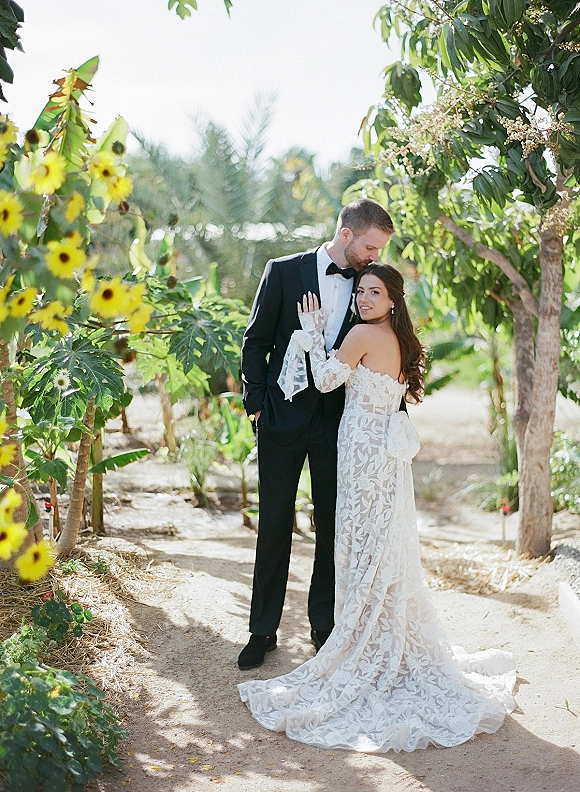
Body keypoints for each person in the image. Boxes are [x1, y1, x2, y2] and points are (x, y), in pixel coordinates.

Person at [238, 264, 516, 752]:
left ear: (391, 299)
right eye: (361, 291)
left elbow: (325, 382)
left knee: (359, 542)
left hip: (364, 451)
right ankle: (378, 631)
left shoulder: (364, 334)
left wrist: (310, 335)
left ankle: (361, 638)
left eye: (373, 292)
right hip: (386, 455)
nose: (363, 298)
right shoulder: (401, 339)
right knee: (382, 542)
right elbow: (399, 393)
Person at [238, 199, 398, 671]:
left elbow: (385, 346)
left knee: (332, 527)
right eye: (370, 245)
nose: (374, 256)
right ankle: (261, 630)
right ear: (346, 233)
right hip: (280, 420)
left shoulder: (368, 285)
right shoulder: (283, 271)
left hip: (339, 427)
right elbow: (256, 342)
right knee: (273, 525)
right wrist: (256, 408)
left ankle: (324, 626)